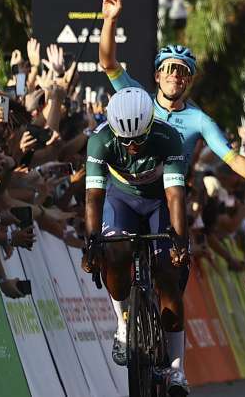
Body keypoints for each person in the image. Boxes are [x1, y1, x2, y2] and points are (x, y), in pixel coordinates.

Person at [80, 87, 191, 396]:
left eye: (138, 139)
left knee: (168, 273)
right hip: (121, 200)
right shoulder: (100, 141)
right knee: (114, 253)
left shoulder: (167, 137)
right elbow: (93, 196)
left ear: (149, 125)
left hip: (159, 201)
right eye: (125, 140)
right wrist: (91, 242)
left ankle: (177, 370)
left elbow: (175, 195)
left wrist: (180, 241)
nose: (131, 146)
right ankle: (123, 322)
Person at [100, 0, 245, 180]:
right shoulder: (139, 98)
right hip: (129, 191)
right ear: (157, 76)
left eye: (182, 71)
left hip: (169, 199)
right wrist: (110, 20)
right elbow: (108, 64)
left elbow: (233, 160)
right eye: (169, 69)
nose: (175, 75)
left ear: (188, 80)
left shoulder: (199, 120)